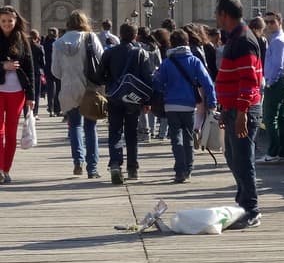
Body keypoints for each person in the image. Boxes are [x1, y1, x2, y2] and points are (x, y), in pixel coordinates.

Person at [214, 0, 264, 228]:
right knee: (233, 157)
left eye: (218, 15)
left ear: (224, 14)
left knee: (243, 160)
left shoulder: (243, 40)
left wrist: (242, 112)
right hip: (234, 107)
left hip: (243, 108)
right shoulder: (237, 38)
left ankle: (251, 209)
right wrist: (226, 109)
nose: (217, 20)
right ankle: (243, 202)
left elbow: (248, 80)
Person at [153, 29, 217, 183]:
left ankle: (179, 169)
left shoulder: (167, 62)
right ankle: (188, 168)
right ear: (187, 42)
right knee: (188, 136)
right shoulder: (194, 61)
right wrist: (212, 102)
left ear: (172, 44)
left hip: (171, 105)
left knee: (175, 138)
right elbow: (208, 83)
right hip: (189, 105)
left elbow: (157, 83)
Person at [52, 10, 105, 178]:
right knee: (90, 127)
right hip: (89, 88)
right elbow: (101, 60)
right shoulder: (90, 38)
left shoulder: (58, 43)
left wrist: (68, 77)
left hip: (69, 89)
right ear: (84, 22)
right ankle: (93, 168)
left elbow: (55, 71)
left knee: (74, 125)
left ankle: (77, 162)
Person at [99, 23, 154, 184]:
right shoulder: (141, 53)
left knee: (115, 131)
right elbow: (147, 78)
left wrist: (109, 84)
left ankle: (115, 164)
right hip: (133, 99)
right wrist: (148, 100)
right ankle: (132, 168)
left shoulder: (109, 52)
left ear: (120, 35)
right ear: (135, 36)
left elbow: (99, 75)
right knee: (131, 133)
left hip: (115, 97)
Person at [0, 5, 34, 185]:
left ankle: (6, 169)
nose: (7, 24)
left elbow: (30, 69)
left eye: (10, 21)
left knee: (11, 133)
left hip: (17, 92)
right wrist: (3, 67)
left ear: (15, 21)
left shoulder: (22, 39)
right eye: (3, 21)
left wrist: (31, 96)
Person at [260, 12, 284, 164]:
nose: (268, 25)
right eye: (266, 22)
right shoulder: (283, 39)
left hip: (276, 81)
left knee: (269, 116)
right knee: (281, 117)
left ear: (280, 22)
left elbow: (277, 65)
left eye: (271, 22)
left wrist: (269, 82)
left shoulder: (277, 41)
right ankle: (283, 152)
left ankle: (273, 152)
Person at [42, 27, 60, 116]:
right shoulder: (58, 43)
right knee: (58, 90)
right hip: (58, 68)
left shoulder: (44, 43)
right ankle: (57, 109)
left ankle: (51, 108)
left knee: (50, 90)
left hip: (48, 68)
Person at [28, 29, 44, 116]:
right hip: (36, 72)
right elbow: (43, 62)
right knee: (36, 93)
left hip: (26, 72)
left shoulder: (25, 46)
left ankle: (26, 112)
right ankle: (35, 113)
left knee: (26, 93)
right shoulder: (39, 47)